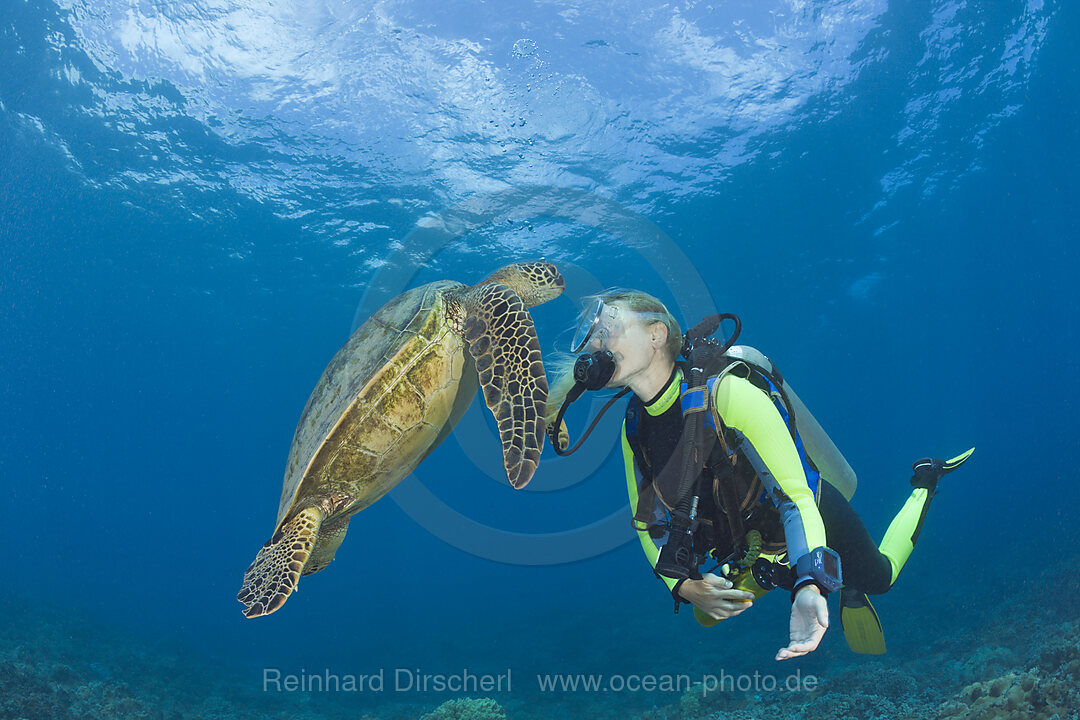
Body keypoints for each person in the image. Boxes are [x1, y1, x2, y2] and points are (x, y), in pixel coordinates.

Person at [547, 290, 972, 660]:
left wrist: (810, 583)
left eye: (610, 327)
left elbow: (796, 497)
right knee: (703, 616)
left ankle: (925, 482)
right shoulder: (634, 425)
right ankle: (809, 572)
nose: (598, 342)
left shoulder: (727, 391)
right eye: (597, 334)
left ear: (657, 335)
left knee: (879, 578)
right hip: (752, 547)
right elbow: (647, 522)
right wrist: (680, 585)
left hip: (810, 515)